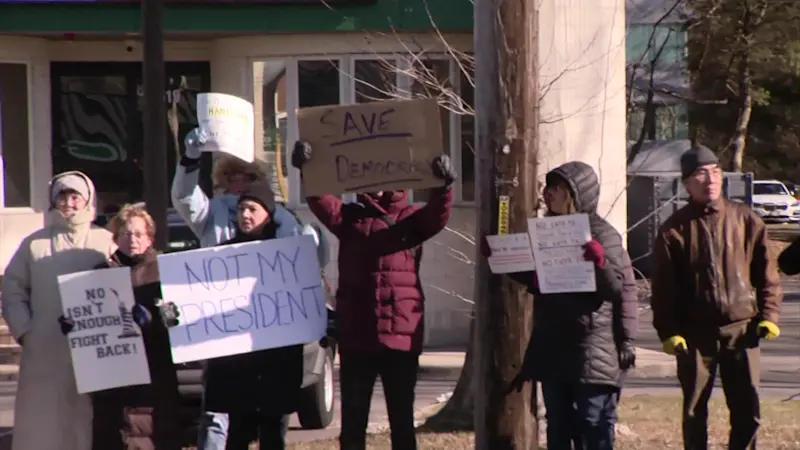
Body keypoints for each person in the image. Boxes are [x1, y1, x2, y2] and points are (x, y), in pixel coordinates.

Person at [291, 141, 455, 450]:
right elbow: (320, 201)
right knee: (353, 425)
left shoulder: (411, 219)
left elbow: (439, 214)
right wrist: (306, 169)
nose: (378, 187)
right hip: (358, 338)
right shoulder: (350, 218)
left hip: (400, 340)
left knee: (402, 425)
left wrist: (444, 184)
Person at [481, 161, 638, 450]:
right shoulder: (547, 232)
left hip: (592, 349)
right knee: (558, 427)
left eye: (556, 189)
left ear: (575, 194)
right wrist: (501, 257)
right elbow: (537, 274)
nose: (547, 194)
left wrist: (600, 262)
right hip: (553, 347)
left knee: (592, 426)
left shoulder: (603, 234)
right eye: (547, 188)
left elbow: (618, 288)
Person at [650, 145, 782, 450]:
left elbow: (768, 274)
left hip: (742, 330)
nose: (709, 179)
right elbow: (664, 290)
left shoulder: (746, 219)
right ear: (686, 183)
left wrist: (769, 316)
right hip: (695, 335)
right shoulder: (674, 231)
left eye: (715, 172)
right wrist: (668, 332)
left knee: (747, 409)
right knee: (695, 411)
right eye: (700, 173)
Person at [1, 171, 117, 450]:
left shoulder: (105, 242)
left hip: (95, 348)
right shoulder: (35, 244)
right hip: (45, 349)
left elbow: (121, 287)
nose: (69, 203)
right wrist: (27, 331)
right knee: (43, 421)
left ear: (88, 200)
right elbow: (13, 290)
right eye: (62, 197)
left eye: (75, 196)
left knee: (88, 419)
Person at [58, 204, 182, 450]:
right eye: (126, 233)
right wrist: (74, 324)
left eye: (139, 233)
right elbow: (87, 318)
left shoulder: (165, 272)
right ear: (115, 238)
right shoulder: (99, 275)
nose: (133, 239)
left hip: (153, 377)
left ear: (149, 237)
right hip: (112, 383)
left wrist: (154, 319)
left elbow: (175, 320)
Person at [203, 180, 304, 450]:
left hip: (277, 365)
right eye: (241, 209)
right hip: (238, 367)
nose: (245, 215)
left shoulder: (288, 252)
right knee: (237, 435)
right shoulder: (224, 254)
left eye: (252, 209)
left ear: (269, 214)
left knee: (273, 436)